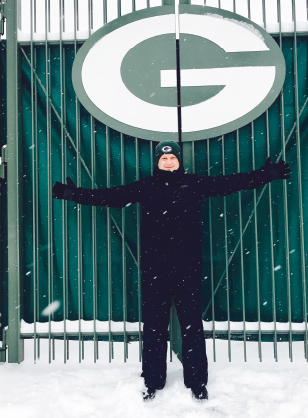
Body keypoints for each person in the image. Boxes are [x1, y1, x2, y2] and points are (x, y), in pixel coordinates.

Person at [51, 140, 290, 402]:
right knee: (154, 328)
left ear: (178, 161)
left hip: (188, 268)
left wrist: (265, 176)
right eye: (163, 159)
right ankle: (152, 381)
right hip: (155, 270)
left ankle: (197, 381)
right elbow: (112, 196)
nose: (167, 162)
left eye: (172, 158)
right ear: (157, 162)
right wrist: (75, 194)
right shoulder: (146, 187)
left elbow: (230, 183)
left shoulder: (194, 184)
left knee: (192, 328)